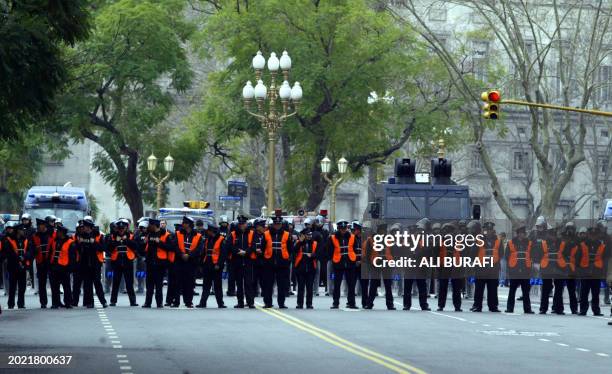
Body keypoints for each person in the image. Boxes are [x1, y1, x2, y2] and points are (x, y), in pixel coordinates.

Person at [141, 218, 174, 308]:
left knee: (159, 284)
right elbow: (143, 248)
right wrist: (144, 243)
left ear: (154, 226)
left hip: (160, 263)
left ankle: (159, 303)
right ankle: (148, 303)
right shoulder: (149, 234)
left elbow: (170, 247)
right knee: (149, 284)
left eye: (150, 225)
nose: (148, 227)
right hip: (150, 262)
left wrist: (159, 242)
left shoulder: (166, 235)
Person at [74, 218, 107, 308]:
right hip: (84, 262)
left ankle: (103, 301)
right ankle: (89, 303)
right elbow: (76, 248)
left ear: (89, 228)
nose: (83, 229)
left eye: (84, 227)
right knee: (87, 283)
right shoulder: (81, 236)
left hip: (95, 262)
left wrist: (93, 243)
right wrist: (80, 243)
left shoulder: (98, 235)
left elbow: (103, 248)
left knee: (97, 282)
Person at [261, 215, 293, 309]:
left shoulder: (287, 234)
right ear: (273, 224)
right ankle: (268, 303)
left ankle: (281, 303)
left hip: (282, 263)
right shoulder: (266, 234)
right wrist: (264, 260)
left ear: (281, 224)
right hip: (269, 262)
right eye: (275, 224)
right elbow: (262, 248)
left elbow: (290, 249)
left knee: (282, 285)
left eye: (279, 224)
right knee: (267, 284)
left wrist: (287, 260)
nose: (277, 226)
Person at [172, 216, 204, 308]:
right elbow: (175, 246)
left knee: (189, 283)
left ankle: (188, 302)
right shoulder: (177, 233)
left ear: (189, 224)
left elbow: (199, 249)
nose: (183, 224)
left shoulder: (198, 236)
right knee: (177, 282)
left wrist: (189, 255)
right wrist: (182, 254)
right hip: (179, 261)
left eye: (185, 222)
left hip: (191, 262)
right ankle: (176, 301)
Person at [107, 218, 139, 306]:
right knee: (116, 282)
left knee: (129, 282)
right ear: (117, 228)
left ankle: (133, 301)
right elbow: (108, 248)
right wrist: (116, 241)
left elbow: (135, 246)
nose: (121, 230)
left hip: (127, 261)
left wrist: (126, 240)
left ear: (126, 228)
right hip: (116, 261)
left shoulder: (131, 236)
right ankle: (113, 301)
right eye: (119, 228)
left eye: (123, 228)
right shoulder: (112, 236)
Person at [472, 221, 501, 313]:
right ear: (483, 230)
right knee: (479, 289)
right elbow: (473, 253)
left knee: (493, 289)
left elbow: (501, 253)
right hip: (481, 268)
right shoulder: (478, 240)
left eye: (490, 230)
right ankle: (477, 306)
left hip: (493, 268)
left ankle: (493, 306)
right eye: (487, 230)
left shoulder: (498, 240)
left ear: (493, 231)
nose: (488, 231)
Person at [328, 219, 358, 309]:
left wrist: (354, 259)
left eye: (344, 228)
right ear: (338, 228)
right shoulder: (333, 238)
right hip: (338, 263)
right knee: (337, 284)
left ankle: (351, 303)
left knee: (351, 284)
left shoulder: (352, 237)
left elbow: (355, 249)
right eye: (341, 228)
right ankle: (335, 303)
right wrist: (333, 260)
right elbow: (329, 250)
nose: (343, 230)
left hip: (350, 262)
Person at [504, 225, 534, 314]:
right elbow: (507, 256)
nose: (522, 235)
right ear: (517, 234)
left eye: (523, 233)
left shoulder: (529, 243)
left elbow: (532, 255)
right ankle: (509, 308)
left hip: (525, 270)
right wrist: (509, 269)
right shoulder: (511, 243)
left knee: (526, 292)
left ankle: (527, 309)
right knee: (512, 291)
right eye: (520, 233)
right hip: (514, 270)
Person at [365, 224, 396, 310]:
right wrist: (369, 265)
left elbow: (394, 252)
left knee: (388, 285)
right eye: (382, 230)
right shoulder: (371, 239)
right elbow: (368, 253)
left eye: (384, 230)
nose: (383, 232)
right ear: (378, 231)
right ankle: (369, 304)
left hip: (387, 263)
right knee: (373, 285)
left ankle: (390, 305)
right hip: (375, 263)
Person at [227, 215, 256, 308]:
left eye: (243, 224)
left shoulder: (252, 233)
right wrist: (238, 252)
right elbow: (230, 246)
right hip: (237, 261)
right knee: (239, 283)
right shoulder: (233, 234)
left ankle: (250, 302)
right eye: (240, 224)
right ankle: (240, 302)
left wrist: (246, 252)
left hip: (248, 261)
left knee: (248, 283)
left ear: (246, 224)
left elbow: (254, 245)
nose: (241, 225)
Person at [576, 227, 606, 316]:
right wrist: (580, 270)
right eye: (592, 234)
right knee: (584, 293)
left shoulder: (601, 245)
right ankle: (583, 310)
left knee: (595, 293)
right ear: (589, 235)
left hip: (596, 273)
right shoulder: (582, 245)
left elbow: (604, 259)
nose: (593, 236)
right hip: (585, 273)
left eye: (595, 235)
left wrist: (602, 271)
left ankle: (596, 311)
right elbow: (577, 259)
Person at [198, 222, 227, 308]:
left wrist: (219, 264)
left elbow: (223, 254)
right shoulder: (207, 239)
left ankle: (220, 303)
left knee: (217, 286)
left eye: (209, 230)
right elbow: (204, 252)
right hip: (207, 264)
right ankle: (202, 303)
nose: (207, 232)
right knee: (206, 285)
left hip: (216, 265)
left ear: (212, 231)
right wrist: (201, 264)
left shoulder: (222, 239)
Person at [2, 224, 31, 308]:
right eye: (22, 230)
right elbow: (8, 252)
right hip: (13, 266)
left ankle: (21, 304)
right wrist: (18, 259)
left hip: (23, 266)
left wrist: (24, 257)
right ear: (18, 231)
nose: (23, 231)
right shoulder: (9, 240)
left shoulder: (25, 239)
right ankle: (11, 304)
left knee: (22, 287)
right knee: (12, 287)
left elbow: (29, 251)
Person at [48, 224, 77, 309]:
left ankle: (68, 302)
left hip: (65, 267)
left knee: (66, 286)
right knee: (54, 286)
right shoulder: (55, 241)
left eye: (58, 231)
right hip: (54, 266)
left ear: (62, 233)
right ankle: (55, 303)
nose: (57, 233)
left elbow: (72, 257)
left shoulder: (70, 242)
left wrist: (70, 268)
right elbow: (51, 253)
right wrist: (50, 265)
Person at [437, 223, 463, 312]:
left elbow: (462, 253)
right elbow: (436, 253)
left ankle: (457, 306)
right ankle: (442, 305)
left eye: (450, 231)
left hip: (454, 265)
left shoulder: (457, 240)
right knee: (443, 286)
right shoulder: (441, 240)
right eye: (447, 231)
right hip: (445, 265)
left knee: (455, 287)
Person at [553, 222, 579, 315]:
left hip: (571, 268)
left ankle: (574, 309)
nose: (570, 231)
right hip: (560, 267)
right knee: (559, 289)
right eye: (569, 229)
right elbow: (557, 251)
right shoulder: (560, 239)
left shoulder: (577, 240)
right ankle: (558, 308)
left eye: (572, 229)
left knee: (572, 290)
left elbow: (579, 254)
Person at [536, 226, 563, 314]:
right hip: (547, 268)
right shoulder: (543, 243)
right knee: (546, 290)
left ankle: (558, 308)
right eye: (552, 235)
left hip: (558, 268)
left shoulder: (561, 243)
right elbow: (538, 255)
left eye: (554, 235)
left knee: (559, 290)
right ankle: (543, 308)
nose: (553, 237)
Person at [31, 218, 54, 308]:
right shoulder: (35, 236)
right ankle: (43, 302)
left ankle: (55, 302)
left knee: (53, 282)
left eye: (40, 226)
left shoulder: (51, 234)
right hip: (40, 262)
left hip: (50, 261)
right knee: (41, 283)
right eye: (38, 226)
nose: (38, 227)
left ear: (44, 226)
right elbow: (32, 249)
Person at [294, 227, 318, 309]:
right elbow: (294, 251)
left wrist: (312, 255)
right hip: (300, 268)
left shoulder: (314, 243)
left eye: (310, 235)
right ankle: (300, 303)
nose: (309, 236)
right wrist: (300, 242)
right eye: (307, 235)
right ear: (303, 235)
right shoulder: (298, 242)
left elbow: (319, 253)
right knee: (301, 287)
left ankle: (309, 303)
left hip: (311, 268)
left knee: (310, 287)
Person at [351, 221, 369, 308]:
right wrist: (355, 261)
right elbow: (350, 251)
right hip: (354, 264)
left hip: (363, 264)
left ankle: (365, 303)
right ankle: (351, 302)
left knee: (364, 285)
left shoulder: (366, 239)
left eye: (355, 230)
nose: (354, 231)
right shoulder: (351, 239)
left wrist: (361, 261)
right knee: (351, 284)